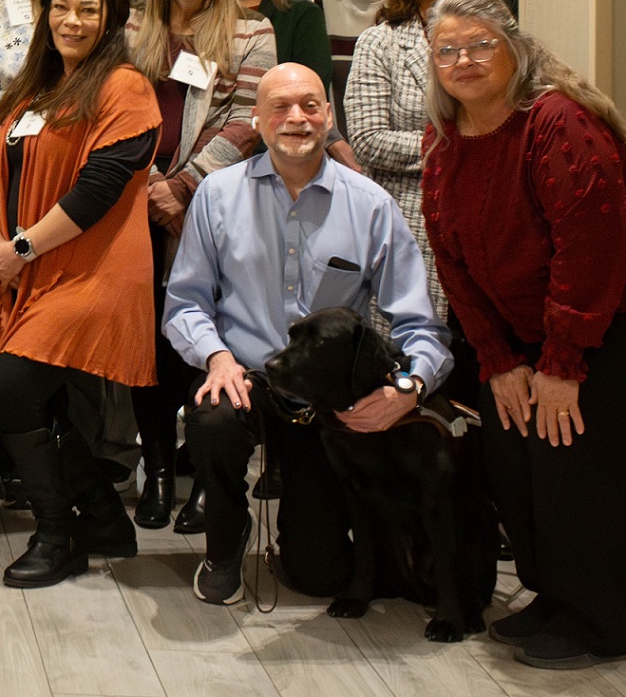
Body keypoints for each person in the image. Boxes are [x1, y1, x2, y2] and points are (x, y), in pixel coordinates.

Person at [421, 0, 626, 668]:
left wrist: (560, 365)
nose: (462, 60)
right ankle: (553, 598)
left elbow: (589, 252)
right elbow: (453, 262)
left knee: (579, 449)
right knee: (509, 437)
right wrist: (498, 361)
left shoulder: (555, 121)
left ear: (514, 50)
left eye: (478, 45)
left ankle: (599, 622)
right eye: (447, 50)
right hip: (566, 308)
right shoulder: (442, 142)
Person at [165, 62, 451, 607]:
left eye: (310, 105)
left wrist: (408, 389)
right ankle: (225, 543)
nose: (296, 118)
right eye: (280, 107)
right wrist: (216, 358)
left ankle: (300, 537)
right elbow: (186, 303)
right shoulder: (217, 196)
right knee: (213, 420)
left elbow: (421, 325)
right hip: (244, 378)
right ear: (258, 119)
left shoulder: (370, 206)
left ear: (328, 116)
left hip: (326, 402)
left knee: (320, 575)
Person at [0, 0, 158, 586]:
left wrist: (19, 248)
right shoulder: (34, 85)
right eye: (60, 7)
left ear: (111, 20)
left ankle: (57, 535)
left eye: (88, 10)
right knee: (37, 398)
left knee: (13, 391)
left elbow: (98, 188)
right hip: (28, 265)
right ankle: (105, 519)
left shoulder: (124, 87)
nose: (71, 21)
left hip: (91, 268)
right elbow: (4, 165)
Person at [127, 0, 277, 532]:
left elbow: (250, 119)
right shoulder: (133, 25)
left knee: (202, 339)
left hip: (212, 205)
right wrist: (148, 185)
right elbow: (115, 108)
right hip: (135, 199)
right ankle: (157, 471)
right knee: (147, 344)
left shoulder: (251, 29)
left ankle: (206, 482)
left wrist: (184, 185)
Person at [346, 0, 486, 312]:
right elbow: (370, 141)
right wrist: (464, 145)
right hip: (410, 226)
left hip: (488, 224)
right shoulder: (381, 43)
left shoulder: (501, 40)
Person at [221, 0, 357, 171]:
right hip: (200, 166)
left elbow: (305, 105)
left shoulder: (303, 17)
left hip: (278, 163)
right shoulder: (201, 18)